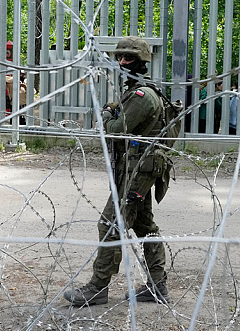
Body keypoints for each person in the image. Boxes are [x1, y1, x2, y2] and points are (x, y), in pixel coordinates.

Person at [64, 36, 171, 306]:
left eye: (129, 58)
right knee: (144, 226)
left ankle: (98, 288)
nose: (122, 62)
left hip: (138, 171)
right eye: (120, 58)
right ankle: (158, 286)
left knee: (111, 224)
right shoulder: (136, 92)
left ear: (141, 61)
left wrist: (108, 115)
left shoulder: (142, 95)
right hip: (136, 169)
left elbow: (115, 129)